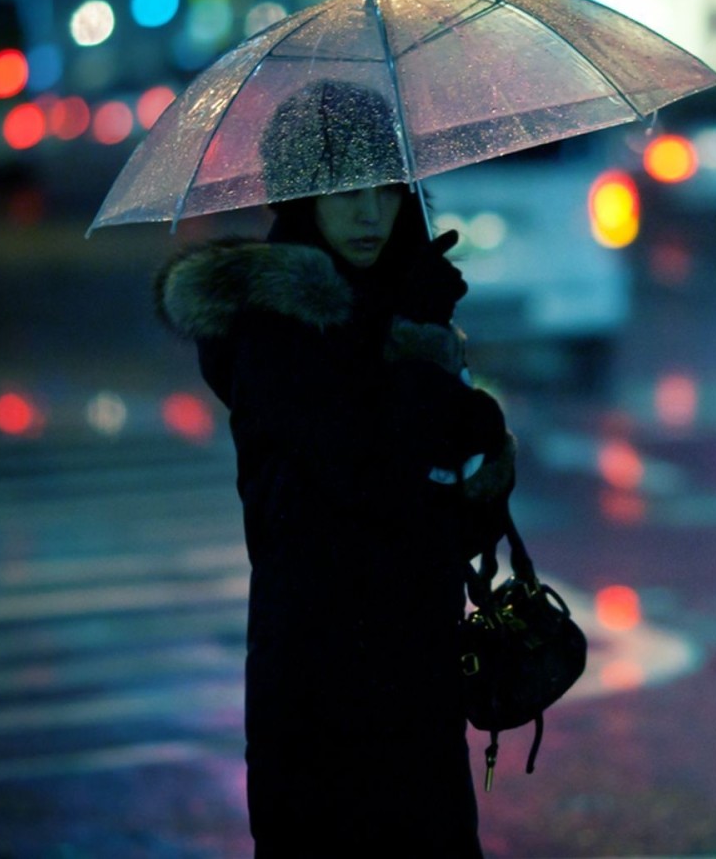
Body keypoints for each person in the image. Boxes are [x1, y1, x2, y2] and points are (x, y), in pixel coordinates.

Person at [154, 81, 510, 857]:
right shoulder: (276, 326)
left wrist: (483, 446)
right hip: (318, 686)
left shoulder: (404, 307)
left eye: (384, 188)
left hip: (416, 675)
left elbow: (455, 514)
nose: (368, 214)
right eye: (343, 190)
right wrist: (422, 367)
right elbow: (357, 474)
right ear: (300, 195)